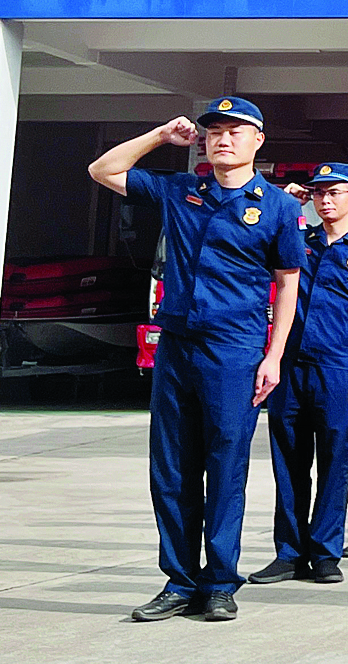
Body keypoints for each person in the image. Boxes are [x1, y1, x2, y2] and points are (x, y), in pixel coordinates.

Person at [90, 99, 304, 622]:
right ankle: (179, 581)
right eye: (213, 132)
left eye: (235, 131)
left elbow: (287, 285)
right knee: (171, 468)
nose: (222, 140)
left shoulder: (276, 206)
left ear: (258, 140)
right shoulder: (181, 191)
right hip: (178, 347)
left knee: (225, 465)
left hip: (234, 351)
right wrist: (162, 135)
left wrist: (273, 356)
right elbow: (104, 170)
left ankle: (220, 583)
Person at [251, 163, 348, 587]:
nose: (325, 200)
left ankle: (325, 553)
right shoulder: (297, 242)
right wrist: (289, 201)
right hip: (291, 368)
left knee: (334, 462)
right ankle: (289, 553)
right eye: (318, 194)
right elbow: (260, 235)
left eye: (334, 193)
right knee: (289, 461)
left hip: (339, 370)